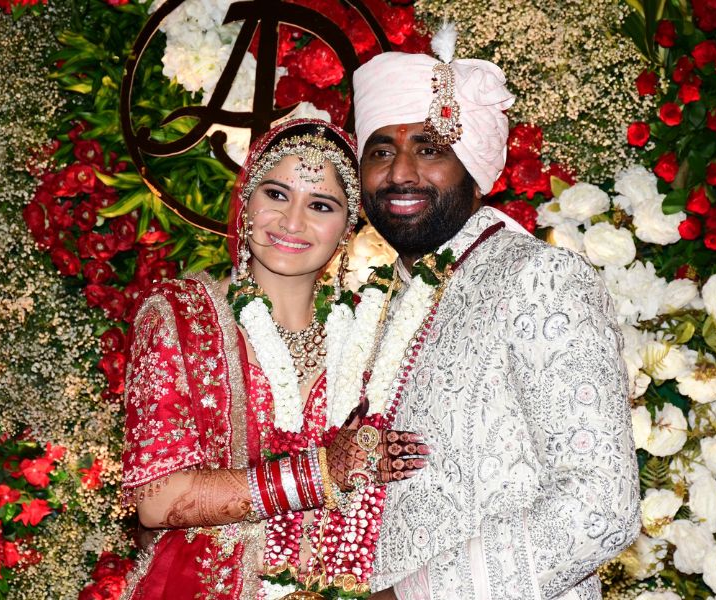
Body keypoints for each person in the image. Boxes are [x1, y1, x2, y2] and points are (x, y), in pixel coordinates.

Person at [350, 28, 641, 600]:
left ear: (473, 168)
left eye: (429, 149)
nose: (401, 173)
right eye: (381, 151)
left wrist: (408, 597)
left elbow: (600, 506)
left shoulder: (539, 278)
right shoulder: (377, 308)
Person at [120, 118, 429, 599]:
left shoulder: (370, 336)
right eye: (277, 194)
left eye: (320, 205)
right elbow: (157, 501)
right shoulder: (181, 315)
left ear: (348, 227)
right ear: (247, 200)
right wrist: (321, 472)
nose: (292, 222)